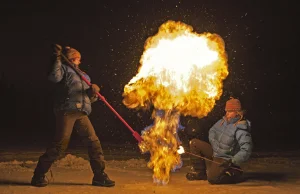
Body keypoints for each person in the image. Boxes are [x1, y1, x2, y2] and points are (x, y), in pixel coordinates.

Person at [31, 44, 115, 187]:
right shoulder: (63, 70)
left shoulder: (84, 75)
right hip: (67, 111)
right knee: (59, 146)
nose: (79, 61)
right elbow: (54, 77)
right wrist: (57, 57)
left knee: (93, 143)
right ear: (72, 58)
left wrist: (93, 92)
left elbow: (88, 99)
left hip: (81, 113)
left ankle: (99, 176)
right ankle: (38, 176)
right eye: (77, 58)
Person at [186, 97, 253, 184]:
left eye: (230, 111)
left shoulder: (241, 128)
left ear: (237, 112)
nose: (227, 113)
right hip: (216, 151)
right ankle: (200, 173)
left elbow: (246, 149)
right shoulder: (223, 121)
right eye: (226, 111)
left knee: (213, 179)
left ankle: (235, 173)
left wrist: (232, 161)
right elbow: (212, 131)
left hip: (226, 158)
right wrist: (215, 143)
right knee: (194, 143)